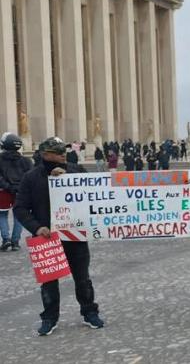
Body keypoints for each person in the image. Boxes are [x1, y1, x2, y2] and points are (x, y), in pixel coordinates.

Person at [14, 137, 103, 336]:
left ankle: (90, 312)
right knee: (49, 282)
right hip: (47, 238)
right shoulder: (31, 178)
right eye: (57, 151)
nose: (63, 154)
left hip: (74, 236)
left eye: (63, 151)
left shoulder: (76, 170)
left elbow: (93, 194)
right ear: (45, 155)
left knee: (82, 279)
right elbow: (20, 208)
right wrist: (36, 228)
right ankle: (49, 318)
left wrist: (67, 177)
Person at [0, 133, 32, 251]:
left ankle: (6, 239)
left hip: (4, 191)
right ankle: (15, 242)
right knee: (19, 216)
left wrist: (8, 186)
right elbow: (30, 176)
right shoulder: (26, 160)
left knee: (2, 215)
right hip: (21, 191)